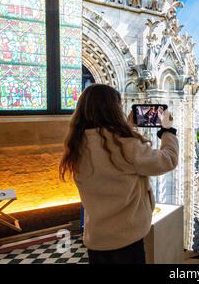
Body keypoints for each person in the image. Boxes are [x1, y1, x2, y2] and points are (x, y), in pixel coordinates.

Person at [59, 84, 179, 264]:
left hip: (97, 240)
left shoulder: (75, 146)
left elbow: (108, 153)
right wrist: (168, 131)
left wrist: (128, 128)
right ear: (114, 110)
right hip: (126, 240)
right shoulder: (125, 145)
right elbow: (168, 159)